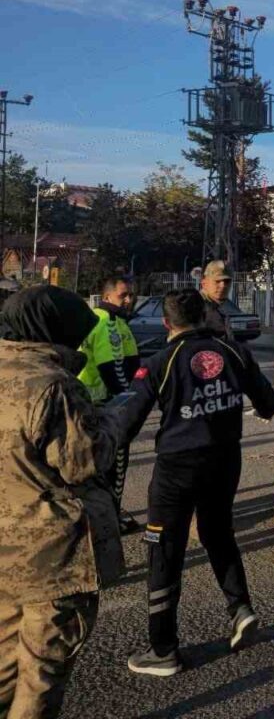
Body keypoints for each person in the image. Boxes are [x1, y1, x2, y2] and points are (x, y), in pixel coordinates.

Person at [0, 286, 149, 716]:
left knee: (4, 667)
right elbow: (85, 463)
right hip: (51, 559)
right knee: (41, 673)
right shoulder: (53, 386)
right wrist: (116, 419)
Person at [124, 289, 274, 677]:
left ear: (166, 322)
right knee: (218, 532)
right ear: (205, 316)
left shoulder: (162, 360)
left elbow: (127, 422)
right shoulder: (234, 352)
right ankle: (240, 607)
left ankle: (163, 650)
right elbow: (268, 404)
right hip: (225, 460)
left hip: (177, 467)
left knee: (164, 549)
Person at [78, 274, 142, 533]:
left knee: (96, 466)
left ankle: (101, 515)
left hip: (91, 403)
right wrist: (127, 403)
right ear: (106, 297)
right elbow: (112, 368)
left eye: (130, 295)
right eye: (122, 295)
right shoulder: (107, 323)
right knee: (114, 464)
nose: (128, 300)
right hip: (104, 404)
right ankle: (110, 520)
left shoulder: (102, 319)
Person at [199, 260, 233, 339]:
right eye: (217, 281)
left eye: (227, 281)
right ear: (204, 284)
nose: (223, 286)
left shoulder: (217, 307)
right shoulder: (196, 307)